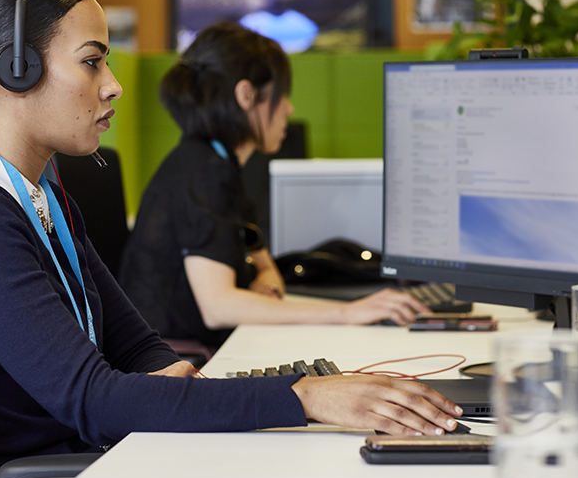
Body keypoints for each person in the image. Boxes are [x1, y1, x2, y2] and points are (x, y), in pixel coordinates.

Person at [0, 0, 462, 478]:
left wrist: (188, 388)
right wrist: (303, 395)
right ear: (17, 70)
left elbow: (138, 348)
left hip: (102, 456)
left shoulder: (39, 197)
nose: (111, 87)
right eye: (91, 63)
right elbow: (91, 398)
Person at [119, 22, 431, 349]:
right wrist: (346, 312)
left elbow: (262, 262)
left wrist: (264, 279)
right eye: (281, 95)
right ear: (246, 95)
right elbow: (219, 307)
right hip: (178, 361)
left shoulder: (216, 162)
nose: (289, 108)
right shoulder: (206, 173)